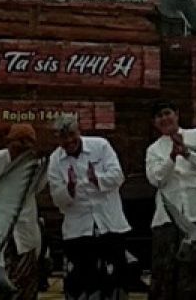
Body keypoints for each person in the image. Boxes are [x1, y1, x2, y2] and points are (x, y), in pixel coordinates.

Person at [46, 114, 131, 300]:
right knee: (81, 286)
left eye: (71, 135)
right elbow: (57, 200)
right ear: (57, 139)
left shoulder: (100, 146)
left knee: (113, 282)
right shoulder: (55, 161)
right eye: (63, 138)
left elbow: (118, 176)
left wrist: (97, 179)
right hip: (78, 231)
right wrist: (69, 189)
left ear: (79, 131)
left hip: (109, 225)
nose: (69, 141)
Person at [145, 99, 196, 300]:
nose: (164, 118)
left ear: (176, 114)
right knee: (165, 274)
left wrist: (186, 152)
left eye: (167, 113)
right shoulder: (154, 149)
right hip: (167, 219)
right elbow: (156, 179)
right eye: (159, 116)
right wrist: (171, 158)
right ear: (155, 123)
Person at [0, 123, 47, 300]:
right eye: (18, 144)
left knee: (23, 289)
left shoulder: (37, 166)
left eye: (27, 145)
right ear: (9, 143)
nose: (21, 149)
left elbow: (37, 189)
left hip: (24, 234)